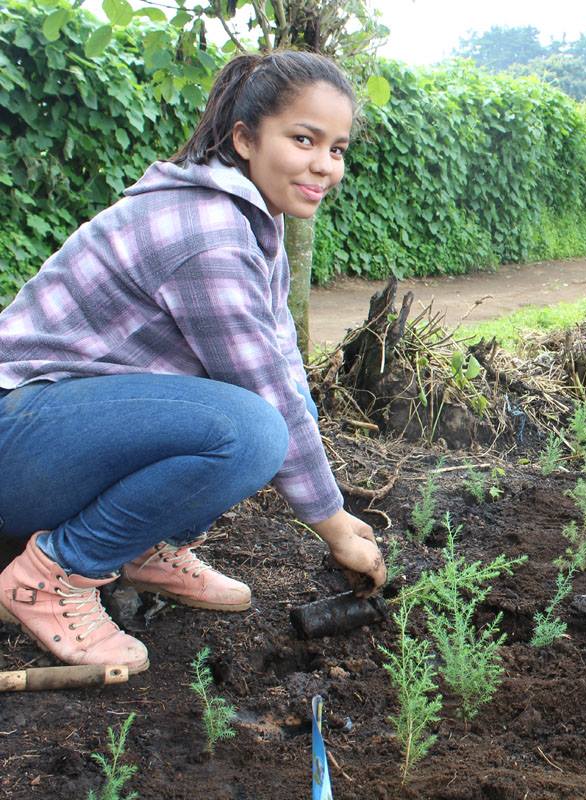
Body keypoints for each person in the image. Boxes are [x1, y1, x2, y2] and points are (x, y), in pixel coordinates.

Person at [0, 52, 386, 675]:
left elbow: (282, 367)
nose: (325, 164)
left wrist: (331, 499)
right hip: (16, 438)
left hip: (54, 432)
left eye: (337, 149)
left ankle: (146, 548)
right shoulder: (208, 232)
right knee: (251, 431)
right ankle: (52, 576)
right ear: (245, 139)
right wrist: (335, 525)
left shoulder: (254, 221)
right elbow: (264, 396)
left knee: (276, 416)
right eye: (303, 139)